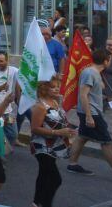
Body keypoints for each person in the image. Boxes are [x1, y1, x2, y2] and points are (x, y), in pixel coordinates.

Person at [67, 49, 112, 182]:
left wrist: (107, 98)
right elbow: (83, 94)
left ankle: (72, 164)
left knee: (82, 137)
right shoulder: (90, 73)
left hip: (91, 111)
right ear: (106, 61)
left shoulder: (95, 73)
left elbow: (93, 94)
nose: (110, 62)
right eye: (110, 60)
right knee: (107, 142)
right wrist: (89, 116)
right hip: (91, 113)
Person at [30, 77, 75, 207]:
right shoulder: (40, 106)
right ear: (44, 89)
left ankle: (36, 202)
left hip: (54, 146)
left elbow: (58, 122)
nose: (57, 88)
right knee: (55, 179)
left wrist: (70, 129)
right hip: (42, 147)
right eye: (53, 87)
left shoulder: (55, 102)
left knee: (44, 175)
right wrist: (58, 133)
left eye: (58, 86)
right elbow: (34, 128)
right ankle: (45, 204)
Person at [0, 51, 21, 147]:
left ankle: (2, 147)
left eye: (1, 61)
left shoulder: (14, 70)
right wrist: (1, 87)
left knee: (13, 134)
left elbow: (26, 77)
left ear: (7, 61)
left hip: (8, 110)